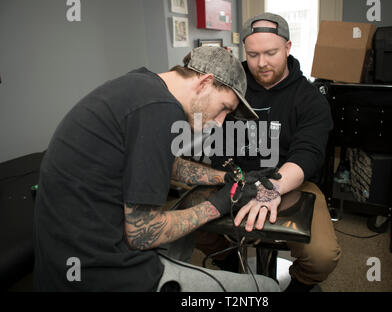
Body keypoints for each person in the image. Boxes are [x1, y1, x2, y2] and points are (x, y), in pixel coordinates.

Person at [33, 46, 280, 292]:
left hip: (61, 258)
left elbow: (167, 163)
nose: (220, 122)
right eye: (224, 107)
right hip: (98, 271)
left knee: (185, 238)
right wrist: (219, 204)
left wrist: (226, 176)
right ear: (205, 82)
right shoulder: (160, 109)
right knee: (266, 289)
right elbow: (142, 235)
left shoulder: (142, 86)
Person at [204, 13, 342, 292]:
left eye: (271, 52)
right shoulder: (229, 85)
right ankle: (233, 268)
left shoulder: (309, 98)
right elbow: (214, 140)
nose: (262, 62)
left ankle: (297, 289)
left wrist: (272, 188)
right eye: (253, 54)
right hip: (234, 177)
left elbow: (309, 153)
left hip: (291, 181)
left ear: (288, 47)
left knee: (322, 257)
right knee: (189, 224)